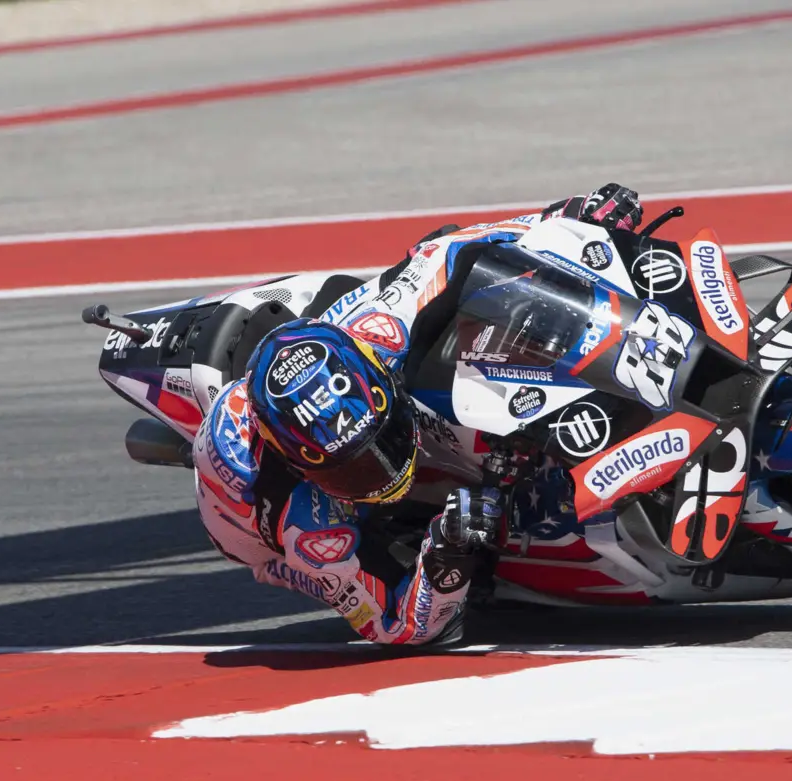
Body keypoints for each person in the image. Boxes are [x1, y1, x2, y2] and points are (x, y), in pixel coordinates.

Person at [192, 184, 645, 646]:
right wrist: (446, 552)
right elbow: (396, 627)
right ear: (299, 466)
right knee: (435, 557)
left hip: (339, 335)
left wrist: (567, 216)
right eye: (355, 470)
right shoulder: (308, 525)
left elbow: (454, 249)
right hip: (252, 526)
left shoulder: (379, 330)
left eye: (381, 444)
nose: (383, 474)